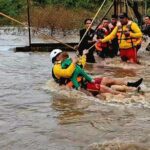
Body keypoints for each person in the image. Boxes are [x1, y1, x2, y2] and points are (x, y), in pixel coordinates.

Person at [50, 49, 143, 95]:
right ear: (56, 58)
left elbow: (80, 66)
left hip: (83, 80)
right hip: (76, 85)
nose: (63, 56)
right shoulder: (56, 68)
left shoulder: (66, 62)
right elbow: (68, 73)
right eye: (60, 55)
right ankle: (130, 95)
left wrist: (83, 55)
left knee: (107, 79)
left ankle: (131, 84)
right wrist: (74, 62)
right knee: (104, 88)